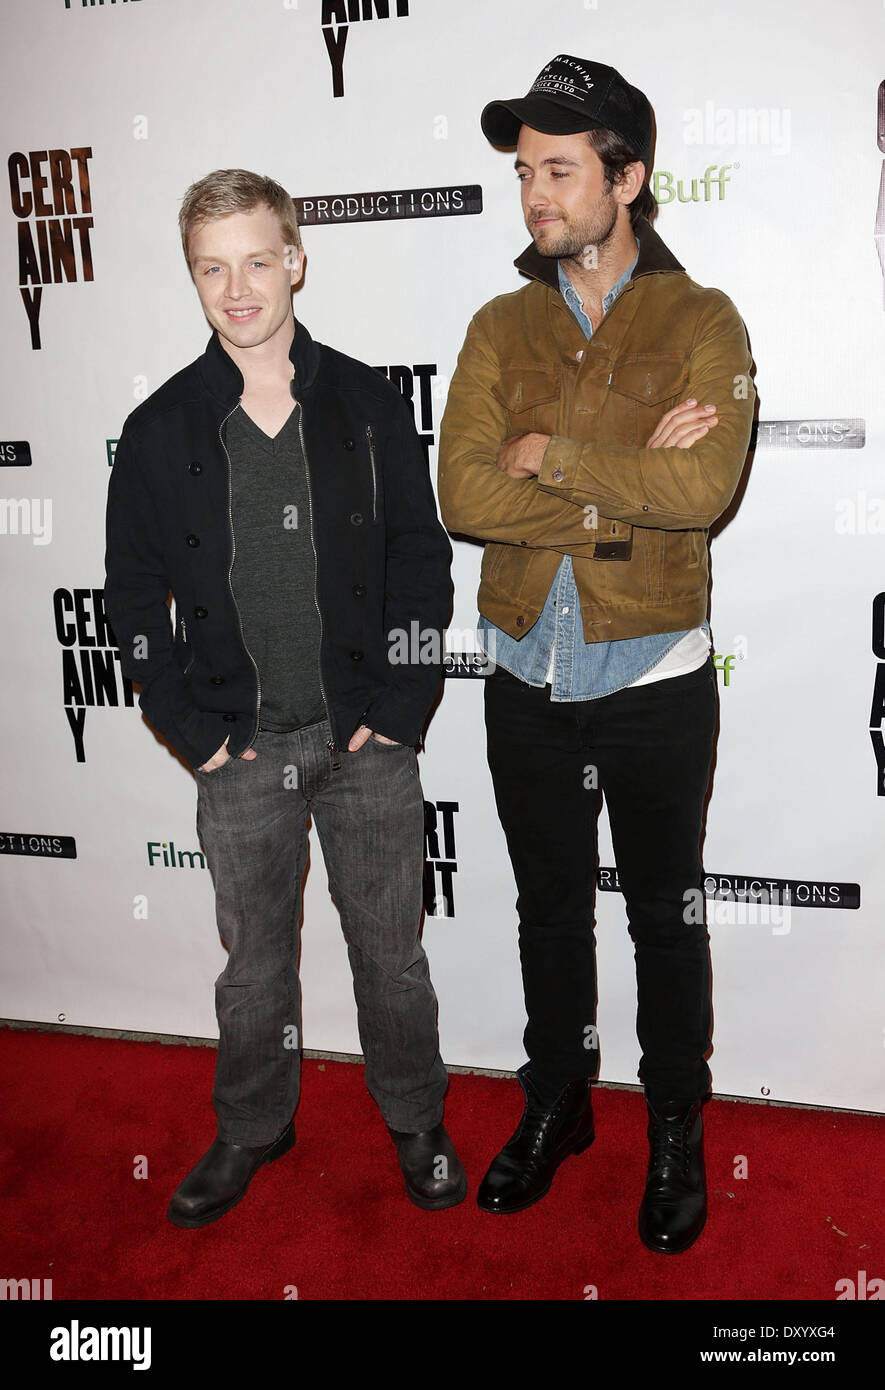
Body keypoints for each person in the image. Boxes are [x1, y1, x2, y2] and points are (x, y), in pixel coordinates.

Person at [105, 168, 465, 1227]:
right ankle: (253, 1127)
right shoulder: (163, 427)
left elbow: (420, 561)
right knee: (252, 969)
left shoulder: (363, 404)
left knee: (390, 954)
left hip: (368, 742)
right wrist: (193, 731)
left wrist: (399, 708)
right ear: (194, 278)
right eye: (212, 268)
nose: (239, 288)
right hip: (243, 748)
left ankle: (416, 1119)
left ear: (296, 260)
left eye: (258, 260)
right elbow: (130, 594)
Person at [438, 56, 755, 1252]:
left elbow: (705, 486)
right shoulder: (498, 321)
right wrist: (626, 480)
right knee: (546, 914)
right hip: (527, 675)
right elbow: (462, 492)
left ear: (628, 176)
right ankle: (558, 1102)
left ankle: (675, 1123)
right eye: (525, 171)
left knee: (666, 919)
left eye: (559, 170)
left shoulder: (701, 319)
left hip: (654, 681)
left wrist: (552, 453)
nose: (535, 194)